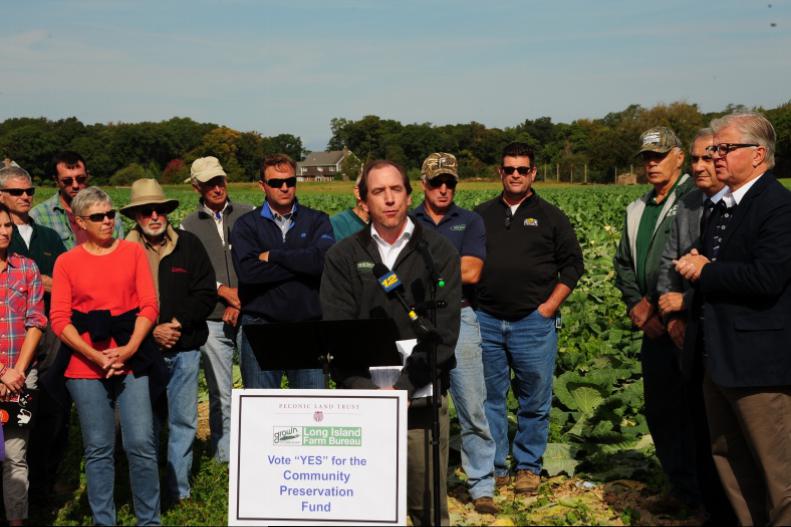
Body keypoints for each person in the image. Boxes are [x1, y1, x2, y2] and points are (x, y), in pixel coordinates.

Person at [320, 159, 461, 526]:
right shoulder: (343, 256)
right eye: (378, 191)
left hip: (420, 401)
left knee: (425, 508)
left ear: (409, 195)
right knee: (366, 508)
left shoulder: (438, 252)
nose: (389, 199)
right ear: (364, 201)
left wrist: (402, 389)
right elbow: (340, 330)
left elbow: (443, 334)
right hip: (362, 402)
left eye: (396, 189)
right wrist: (369, 391)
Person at [674, 112, 791, 526]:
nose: (715, 156)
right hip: (718, 361)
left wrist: (706, 270)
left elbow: (768, 277)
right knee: (732, 466)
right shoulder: (721, 207)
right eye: (713, 149)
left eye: (725, 149)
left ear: (758, 154)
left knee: (778, 477)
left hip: (758, 366)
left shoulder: (778, 206)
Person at [475, 142, 584, 495]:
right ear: (500, 172)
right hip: (487, 320)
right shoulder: (481, 215)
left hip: (532, 322)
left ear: (534, 172)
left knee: (534, 400)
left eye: (523, 169)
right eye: (510, 169)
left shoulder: (551, 216)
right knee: (490, 398)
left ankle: (527, 466)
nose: (516, 175)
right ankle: (495, 466)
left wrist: (549, 307)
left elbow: (573, 266)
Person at [48, 187, 161, 525]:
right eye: (98, 216)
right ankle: (104, 521)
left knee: (141, 442)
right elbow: (59, 320)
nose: (108, 220)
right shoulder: (67, 262)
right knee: (98, 449)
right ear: (80, 221)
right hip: (84, 366)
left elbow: (149, 305)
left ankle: (149, 520)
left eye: (110, 214)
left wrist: (128, 349)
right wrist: (95, 357)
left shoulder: (132, 253)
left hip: (132, 359)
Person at [614, 126, 699, 510]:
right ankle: (680, 487)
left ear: (679, 157)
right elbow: (622, 263)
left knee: (694, 411)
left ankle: (703, 493)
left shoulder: (694, 199)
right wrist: (636, 304)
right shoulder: (637, 208)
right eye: (647, 157)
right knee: (661, 409)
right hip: (651, 326)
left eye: (660, 156)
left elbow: (681, 259)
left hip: (685, 321)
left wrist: (656, 304)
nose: (652, 164)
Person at [409, 153, 497, 514]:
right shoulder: (406, 220)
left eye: (450, 182)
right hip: (413, 321)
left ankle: (482, 485)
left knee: (472, 403)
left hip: (461, 317)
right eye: (436, 182)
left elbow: (473, 271)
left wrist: (427, 274)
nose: (443, 189)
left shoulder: (470, 221)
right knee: (421, 404)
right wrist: (447, 272)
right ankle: (424, 483)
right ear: (423, 183)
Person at [655, 129, 735, 523]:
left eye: (708, 157)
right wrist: (672, 317)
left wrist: (685, 303)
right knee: (697, 423)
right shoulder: (687, 205)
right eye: (695, 159)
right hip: (688, 332)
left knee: (729, 432)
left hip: (723, 331)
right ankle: (704, 501)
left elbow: (734, 277)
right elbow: (669, 264)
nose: (701, 166)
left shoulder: (740, 209)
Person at [122, 178, 216, 505]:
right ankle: (146, 493)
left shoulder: (188, 245)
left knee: (184, 421)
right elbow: (118, 304)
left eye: (159, 210)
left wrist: (175, 323)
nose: (154, 216)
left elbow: (205, 292)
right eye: (146, 211)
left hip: (185, 347)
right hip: (142, 352)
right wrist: (151, 331)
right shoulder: (122, 252)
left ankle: (179, 492)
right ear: (135, 216)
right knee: (144, 425)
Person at [230, 154, 334, 389]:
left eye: (290, 181)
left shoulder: (317, 220)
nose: (285, 187)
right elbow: (248, 273)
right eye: (276, 183)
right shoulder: (246, 225)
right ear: (262, 186)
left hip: (308, 327)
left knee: (311, 410)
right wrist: (303, 264)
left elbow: (323, 263)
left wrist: (275, 256)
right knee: (262, 410)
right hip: (261, 326)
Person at [0, 166, 69, 503]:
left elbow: (67, 282)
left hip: (49, 335)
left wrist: (40, 282)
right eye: (16, 192)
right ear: (1, 195)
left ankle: (43, 483)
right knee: (13, 421)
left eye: (29, 191)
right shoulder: (3, 236)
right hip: (10, 346)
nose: (25, 197)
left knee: (50, 408)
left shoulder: (49, 237)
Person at [181, 156, 254, 464]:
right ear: (197, 186)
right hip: (212, 319)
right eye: (209, 183)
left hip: (250, 312)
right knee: (220, 391)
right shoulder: (188, 224)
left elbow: (260, 262)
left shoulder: (249, 215)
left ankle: (255, 455)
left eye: (220, 181)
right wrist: (223, 292)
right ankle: (223, 459)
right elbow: (190, 272)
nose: (217, 188)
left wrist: (241, 299)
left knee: (255, 388)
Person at [0, 201, 46, 527]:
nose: (4, 231)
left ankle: (17, 521)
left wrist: (16, 371)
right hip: (5, 373)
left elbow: (36, 322)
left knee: (15, 457)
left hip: (21, 377)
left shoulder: (27, 268)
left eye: (7, 225)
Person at [30, 151, 123, 248]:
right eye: (67, 181)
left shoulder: (109, 214)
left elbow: (119, 250)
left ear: (87, 175)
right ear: (56, 180)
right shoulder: (39, 216)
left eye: (80, 179)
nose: (75, 185)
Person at [329, 174, 368, 241]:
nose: (389, 198)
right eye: (378, 191)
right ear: (358, 193)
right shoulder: (335, 227)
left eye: (392, 189)